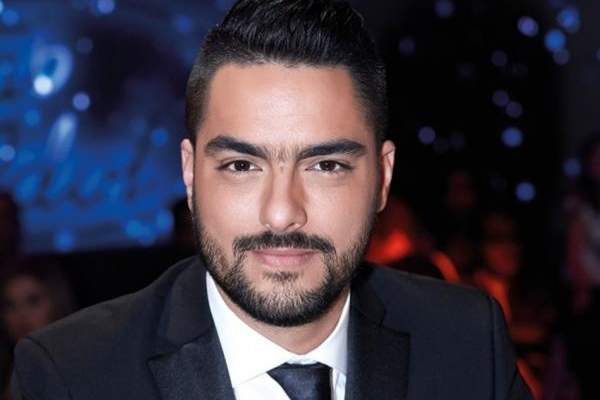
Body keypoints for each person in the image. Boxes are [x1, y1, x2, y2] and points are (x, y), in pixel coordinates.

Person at [11, 1, 531, 399]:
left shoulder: (467, 341)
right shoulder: (73, 375)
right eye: (242, 166)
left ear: (382, 178)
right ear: (190, 174)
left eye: (326, 166)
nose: (282, 213)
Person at [0, 258, 75, 399]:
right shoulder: (6, 369)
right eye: (10, 305)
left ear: (56, 303)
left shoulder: (77, 364)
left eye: (33, 301)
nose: (21, 315)